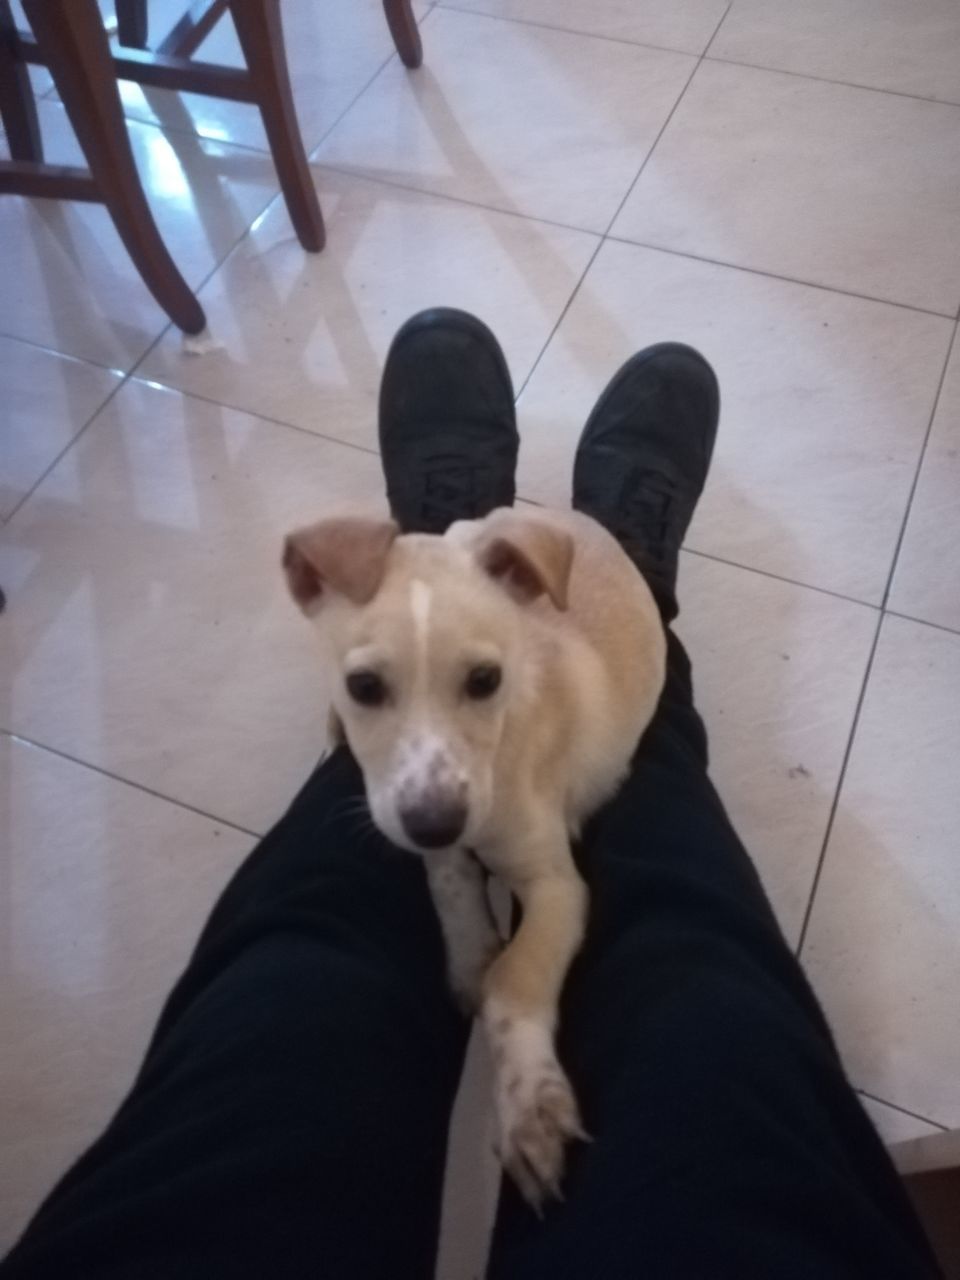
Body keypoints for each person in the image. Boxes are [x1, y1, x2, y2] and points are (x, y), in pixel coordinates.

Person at [0, 311, 940, 1280]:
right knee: (695, 952)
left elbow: (545, 884)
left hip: (546, 643)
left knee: (307, 940)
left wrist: (517, 1019)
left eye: (478, 681)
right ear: (306, 583)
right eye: (371, 687)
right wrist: (461, 919)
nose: (430, 788)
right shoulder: (332, 584)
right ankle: (463, 565)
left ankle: (559, 568)